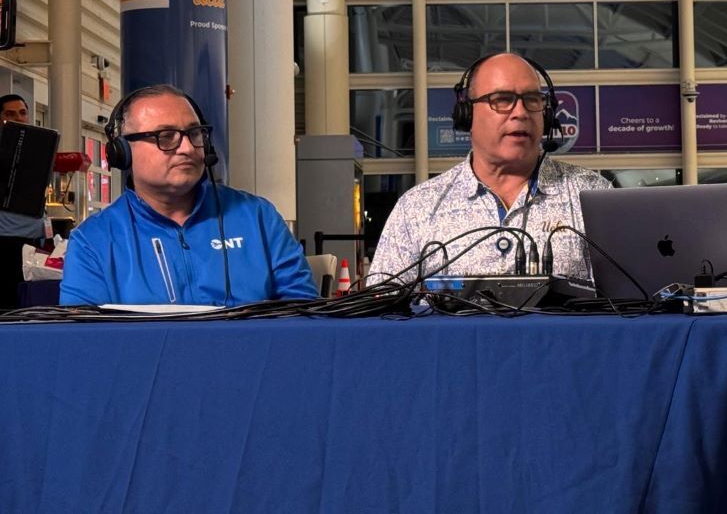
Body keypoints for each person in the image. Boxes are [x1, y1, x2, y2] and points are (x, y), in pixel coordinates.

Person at [60, 85, 316, 306]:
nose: (186, 148)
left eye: (194, 134)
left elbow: (304, 314)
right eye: (166, 136)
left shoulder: (258, 217)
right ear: (123, 151)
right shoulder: (93, 242)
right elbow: (85, 341)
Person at [367, 53, 611, 286]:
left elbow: (630, 306)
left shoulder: (593, 195)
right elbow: (380, 312)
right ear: (467, 114)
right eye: (502, 100)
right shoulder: (417, 208)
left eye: (532, 100)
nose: (521, 112)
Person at [0, 93, 48, 309]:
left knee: (29, 305)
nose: (18, 118)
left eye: (22, 113)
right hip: (5, 242)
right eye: (10, 114)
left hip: (33, 242)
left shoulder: (37, 150)